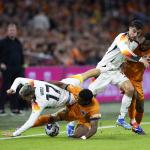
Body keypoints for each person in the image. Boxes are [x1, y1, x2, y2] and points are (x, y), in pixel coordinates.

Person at [66, 20, 150, 130]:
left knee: (130, 89)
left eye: (138, 33)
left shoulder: (135, 43)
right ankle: (71, 124)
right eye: (134, 31)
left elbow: (126, 56)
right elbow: (125, 51)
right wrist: (139, 59)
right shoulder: (121, 37)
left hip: (115, 71)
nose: (135, 35)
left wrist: (125, 62)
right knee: (88, 98)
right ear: (129, 28)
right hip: (105, 69)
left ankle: (121, 119)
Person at [3, 76, 100, 139]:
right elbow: (19, 79)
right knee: (82, 76)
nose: (25, 100)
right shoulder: (34, 83)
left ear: (30, 96)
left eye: (25, 98)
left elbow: (30, 122)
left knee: (76, 135)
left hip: (73, 103)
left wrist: (15, 133)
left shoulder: (40, 102)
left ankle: (73, 123)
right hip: (69, 102)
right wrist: (13, 88)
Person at [32, 82, 101, 140]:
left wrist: (84, 137)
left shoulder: (94, 109)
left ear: (87, 101)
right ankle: (28, 126)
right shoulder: (78, 91)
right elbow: (62, 84)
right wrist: (44, 82)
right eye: (78, 97)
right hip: (72, 110)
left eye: (80, 100)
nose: (77, 99)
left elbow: (94, 128)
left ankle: (72, 126)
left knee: (77, 136)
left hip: (84, 120)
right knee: (51, 118)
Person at [122, 33, 150, 134]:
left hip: (138, 80)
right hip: (125, 78)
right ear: (142, 40)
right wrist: (139, 60)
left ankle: (136, 125)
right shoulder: (134, 46)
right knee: (132, 96)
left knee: (140, 106)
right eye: (144, 43)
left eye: (147, 45)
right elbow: (124, 55)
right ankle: (132, 121)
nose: (144, 46)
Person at [0, 23, 25, 116]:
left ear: (16, 32)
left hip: (17, 68)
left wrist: (23, 65)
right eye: (10, 30)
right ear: (7, 31)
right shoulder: (2, 42)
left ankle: (14, 108)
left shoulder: (18, 42)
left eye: (13, 30)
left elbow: (21, 55)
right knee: (5, 88)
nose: (12, 32)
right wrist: (1, 64)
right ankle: (1, 108)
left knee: (16, 89)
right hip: (7, 68)